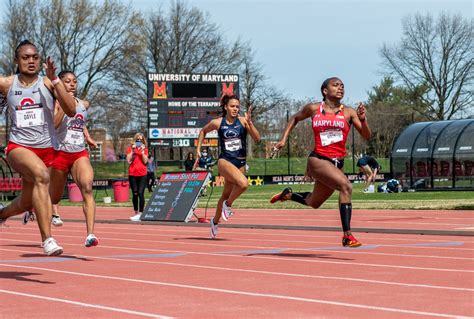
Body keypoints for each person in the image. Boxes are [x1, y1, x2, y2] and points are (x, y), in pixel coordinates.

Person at [270, 77, 371, 247]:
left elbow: (367, 136)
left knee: (314, 202)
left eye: (342, 86)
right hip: (318, 160)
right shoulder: (314, 108)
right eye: (336, 85)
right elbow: (294, 118)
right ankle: (347, 235)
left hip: (337, 163)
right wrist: (283, 139)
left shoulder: (349, 112)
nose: (340, 88)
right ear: (325, 90)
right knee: (346, 186)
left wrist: (363, 119)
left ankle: (288, 195)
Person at [0, 40, 76, 256]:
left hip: (46, 151)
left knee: (26, 202)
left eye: (34, 57)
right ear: (17, 60)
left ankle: (2, 214)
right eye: (25, 57)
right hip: (18, 148)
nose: (31, 61)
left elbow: (71, 110)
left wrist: (55, 80)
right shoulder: (7, 84)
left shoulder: (48, 83)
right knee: (41, 176)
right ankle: (48, 240)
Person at [196, 94, 260, 238]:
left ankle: (215, 221)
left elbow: (257, 139)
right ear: (226, 107)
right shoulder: (218, 123)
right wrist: (198, 149)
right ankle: (228, 205)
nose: (235, 109)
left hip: (241, 162)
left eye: (237, 106)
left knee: (225, 195)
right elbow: (203, 131)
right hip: (225, 161)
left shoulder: (243, 121)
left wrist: (250, 123)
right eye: (232, 106)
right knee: (243, 184)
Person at [48, 70, 99, 247]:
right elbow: (52, 126)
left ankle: (90, 234)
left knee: (87, 186)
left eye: (75, 81)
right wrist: (63, 107)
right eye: (67, 81)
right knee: (53, 198)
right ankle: (45, 231)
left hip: (78, 153)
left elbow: (80, 123)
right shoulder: (53, 103)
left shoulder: (83, 104)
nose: (72, 84)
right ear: (60, 84)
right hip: (59, 154)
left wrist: (88, 137)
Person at [127, 133, 149, 221]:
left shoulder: (145, 150)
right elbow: (129, 160)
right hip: (132, 174)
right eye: (137, 139)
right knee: (135, 193)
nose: (139, 141)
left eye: (141, 140)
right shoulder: (130, 149)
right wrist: (132, 151)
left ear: (143, 141)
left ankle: (141, 213)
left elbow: (145, 161)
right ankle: (136, 212)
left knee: (141, 193)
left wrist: (142, 152)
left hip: (142, 174)